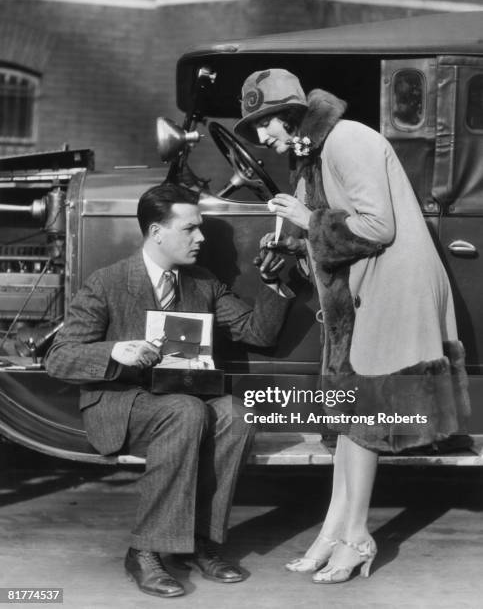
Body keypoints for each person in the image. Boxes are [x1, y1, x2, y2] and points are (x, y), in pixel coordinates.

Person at [234, 69, 470, 584]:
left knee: (361, 416)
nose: (260, 137)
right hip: (363, 289)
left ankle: (357, 535)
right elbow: (335, 227)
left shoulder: (348, 140)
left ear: (293, 113)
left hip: (392, 287)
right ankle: (334, 528)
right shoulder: (314, 154)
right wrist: (293, 246)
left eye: (265, 122)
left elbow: (377, 225)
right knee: (347, 417)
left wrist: (305, 221)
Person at [44, 182, 293, 599]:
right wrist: (115, 351)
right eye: (190, 229)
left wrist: (276, 285)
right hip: (121, 405)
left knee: (237, 413)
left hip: (180, 402)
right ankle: (145, 550)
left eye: (201, 229)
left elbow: (257, 333)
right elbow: (59, 357)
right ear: (157, 232)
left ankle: (200, 544)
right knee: (187, 411)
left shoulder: (202, 283)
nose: (200, 238)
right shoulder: (107, 282)